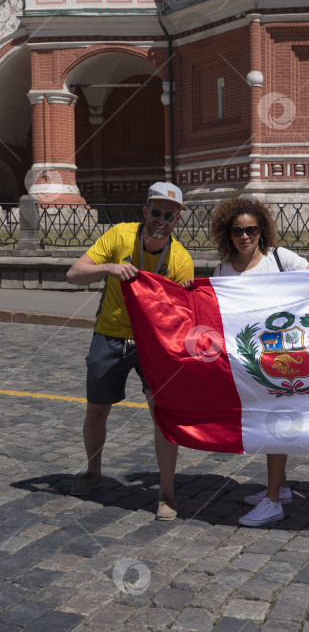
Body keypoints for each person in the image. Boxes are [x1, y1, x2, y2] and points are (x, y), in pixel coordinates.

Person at [182, 196, 309, 527]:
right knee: (262, 419)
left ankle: (272, 501)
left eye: (251, 229)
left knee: (275, 421)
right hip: (246, 358)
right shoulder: (223, 270)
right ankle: (280, 487)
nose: (245, 236)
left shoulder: (280, 258)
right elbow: (211, 310)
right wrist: (190, 290)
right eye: (238, 230)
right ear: (227, 234)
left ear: (262, 231)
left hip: (280, 354)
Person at [66, 182, 194, 520]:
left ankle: (166, 494)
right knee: (96, 410)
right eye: (156, 212)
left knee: (162, 417)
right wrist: (108, 268)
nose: (161, 219)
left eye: (169, 214)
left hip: (155, 343)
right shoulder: (120, 236)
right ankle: (93, 473)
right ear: (145, 212)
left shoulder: (180, 258)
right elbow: (73, 273)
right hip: (109, 337)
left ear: (177, 219)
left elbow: (185, 313)